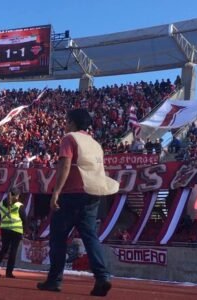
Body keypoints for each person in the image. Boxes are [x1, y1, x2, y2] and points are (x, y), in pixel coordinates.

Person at [37, 108, 119, 297]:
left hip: (71, 194)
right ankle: (102, 276)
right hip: (92, 193)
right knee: (90, 237)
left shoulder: (69, 138)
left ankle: (54, 280)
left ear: (72, 123)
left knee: (58, 238)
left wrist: (56, 191)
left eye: (67, 121)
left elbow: (65, 165)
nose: (65, 124)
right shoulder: (95, 143)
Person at [0, 187, 26, 278]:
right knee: (13, 251)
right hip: (16, 230)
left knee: (4, 249)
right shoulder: (19, 205)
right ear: (17, 196)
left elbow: (1, 215)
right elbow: (24, 219)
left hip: (5, 229)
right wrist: (25, 230)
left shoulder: (2, 204)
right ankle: (9, 272)